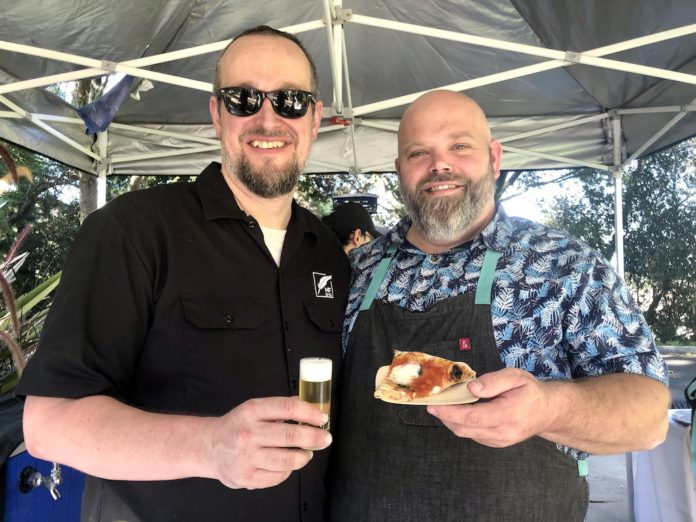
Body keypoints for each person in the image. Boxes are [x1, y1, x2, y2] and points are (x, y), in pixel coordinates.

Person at [16, 26, 349, 522]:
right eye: (243, 98)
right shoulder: (134, 231)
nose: (268, 117)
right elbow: (48, 425)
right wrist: (210, 445)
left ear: (315, 118)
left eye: (290, 101)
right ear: (216, 113)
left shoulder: (329, 253)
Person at [328, 90, 671, 521]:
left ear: (494, 156)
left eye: (459, 146)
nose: (440, 165)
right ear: (399, 170)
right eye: (419, 152)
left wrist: (550, 408)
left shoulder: (563, 265)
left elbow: (650, 416)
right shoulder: (354, 272)